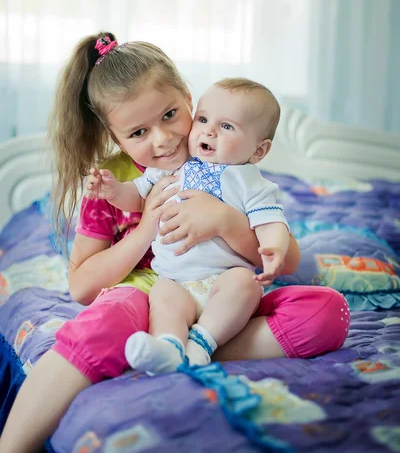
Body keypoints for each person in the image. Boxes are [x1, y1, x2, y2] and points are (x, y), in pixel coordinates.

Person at [0, 33, 349, 453]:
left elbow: (287, 260)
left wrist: (225, 222)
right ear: (115, 137)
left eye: (170, 116)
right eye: (138, 133)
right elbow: (83, 287)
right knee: (100, 322)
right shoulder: (117, 181)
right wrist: (146, 226)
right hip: (155, 289)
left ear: (188, 98)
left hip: (227, 293)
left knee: (328, 313)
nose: (163, 139)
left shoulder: (231, 158)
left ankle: (181, 346)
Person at [88, 77, 292, 374]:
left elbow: (271, 219)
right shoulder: (174, 166)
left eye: (226, 126)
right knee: (162, 298)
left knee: (245, 284)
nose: (209, 130)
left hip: (223, 280)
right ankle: (169, 346)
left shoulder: (250, 182)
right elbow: (137, 196)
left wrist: (274, 246)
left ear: (258, 151)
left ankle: (201, 343)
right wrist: (114, 192)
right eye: (204, 119)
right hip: (175, 279)